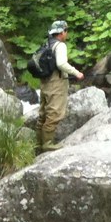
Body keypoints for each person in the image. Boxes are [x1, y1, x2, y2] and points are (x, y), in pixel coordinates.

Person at [37, 19, 84, 152]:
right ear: (62, 32)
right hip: (56, 84)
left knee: (43, 113)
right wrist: (76, 73)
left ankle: (38, 144)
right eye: (66, 30)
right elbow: (61, 63)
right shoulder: (60, 46)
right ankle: (47, 143)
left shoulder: (47, 43)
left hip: (44, 83)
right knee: (55, 113)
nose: (66, 33)